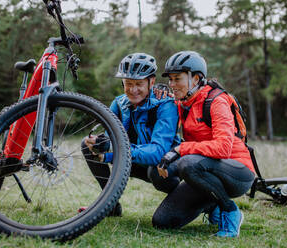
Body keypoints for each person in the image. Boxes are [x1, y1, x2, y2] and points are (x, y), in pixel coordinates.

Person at [153, 51, 256, 238]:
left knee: (187, 163)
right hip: (202, 167)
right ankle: (211, 204)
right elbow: (161, 124)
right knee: (162, 218)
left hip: (237, 171)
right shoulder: (181, 102)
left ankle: (230, 211)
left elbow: (223, 148)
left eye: (177, 79)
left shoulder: (216, 101)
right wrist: (157, 98)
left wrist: (181, 149)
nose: (172, 85)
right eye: (170, 80)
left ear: (197, 78)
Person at [81, 52, 180, 216]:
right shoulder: (118, 104)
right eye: (128, 83)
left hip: (167, 165)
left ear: (152, 81)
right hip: (135, 160)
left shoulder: (166, 105)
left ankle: (195, 200)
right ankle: (109, 204)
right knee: (87, 145)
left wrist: (116, 149)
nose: (133, 90)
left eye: (139, 84)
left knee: (155, 172)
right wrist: (101, 151)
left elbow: (158, 152)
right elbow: (110, 142)